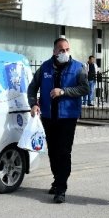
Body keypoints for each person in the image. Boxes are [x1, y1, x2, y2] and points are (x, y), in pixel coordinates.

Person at [28, 37, 89, 203]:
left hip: (67, 117)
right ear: (54, 51)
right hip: (48, 116)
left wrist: (64, 91)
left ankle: (61, 188)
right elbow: (32, 87)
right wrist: (34, 104)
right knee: (53, 152)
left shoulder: (78, 67)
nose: (65, 53)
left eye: (67, 49)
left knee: (63, 152)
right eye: (61, 50)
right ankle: (57, 180)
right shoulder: (45, 67)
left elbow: (84, 88)